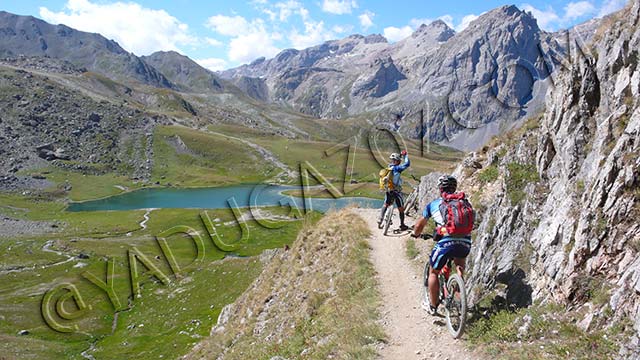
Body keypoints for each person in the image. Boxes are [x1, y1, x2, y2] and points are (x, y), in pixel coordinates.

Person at [410, 175, 473, 315]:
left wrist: (415, 234)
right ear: (454, 188)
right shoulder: (464, 203)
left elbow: (419, 225)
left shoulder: (434, 204)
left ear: (440, 189)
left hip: (445, 242)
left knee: (433, 272)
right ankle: (459, 295)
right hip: (465, 242)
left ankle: (432, 306)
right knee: (459, 266)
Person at [378, 150, 410, 231]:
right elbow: (407, 164)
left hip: (388, 189)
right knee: (401, 208)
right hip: (396, 191)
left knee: (386, 204)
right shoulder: (397, 168)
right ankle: (402, 225)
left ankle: (380, 219)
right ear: (398, 161)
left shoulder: (389, 167)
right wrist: (405, 156)